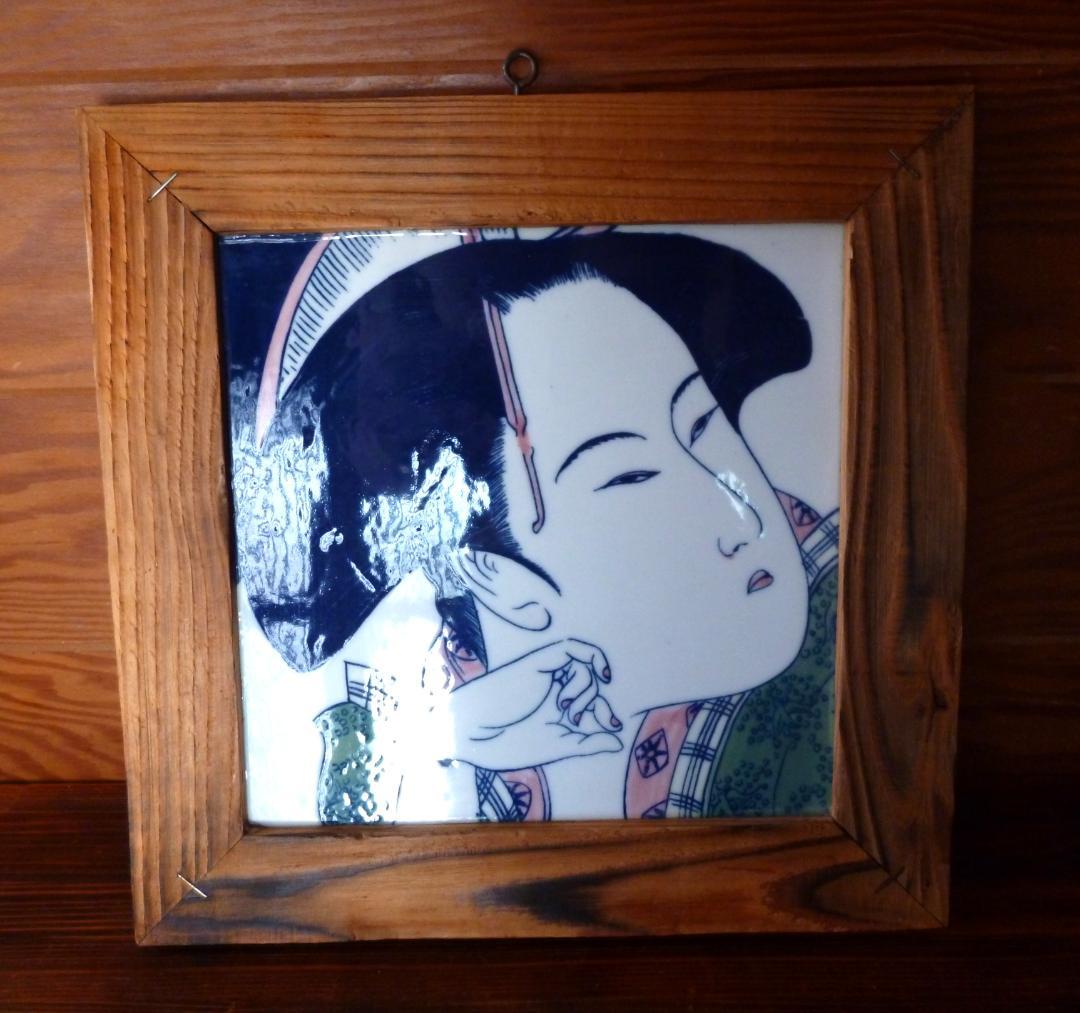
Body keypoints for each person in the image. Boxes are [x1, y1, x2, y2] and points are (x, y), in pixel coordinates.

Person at [241, 231, 839, 823]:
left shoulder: (843, 585)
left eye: (703, 424)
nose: (744, 519)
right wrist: (440, 737)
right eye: (631, 475)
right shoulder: (479, 744)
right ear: (501, 580)